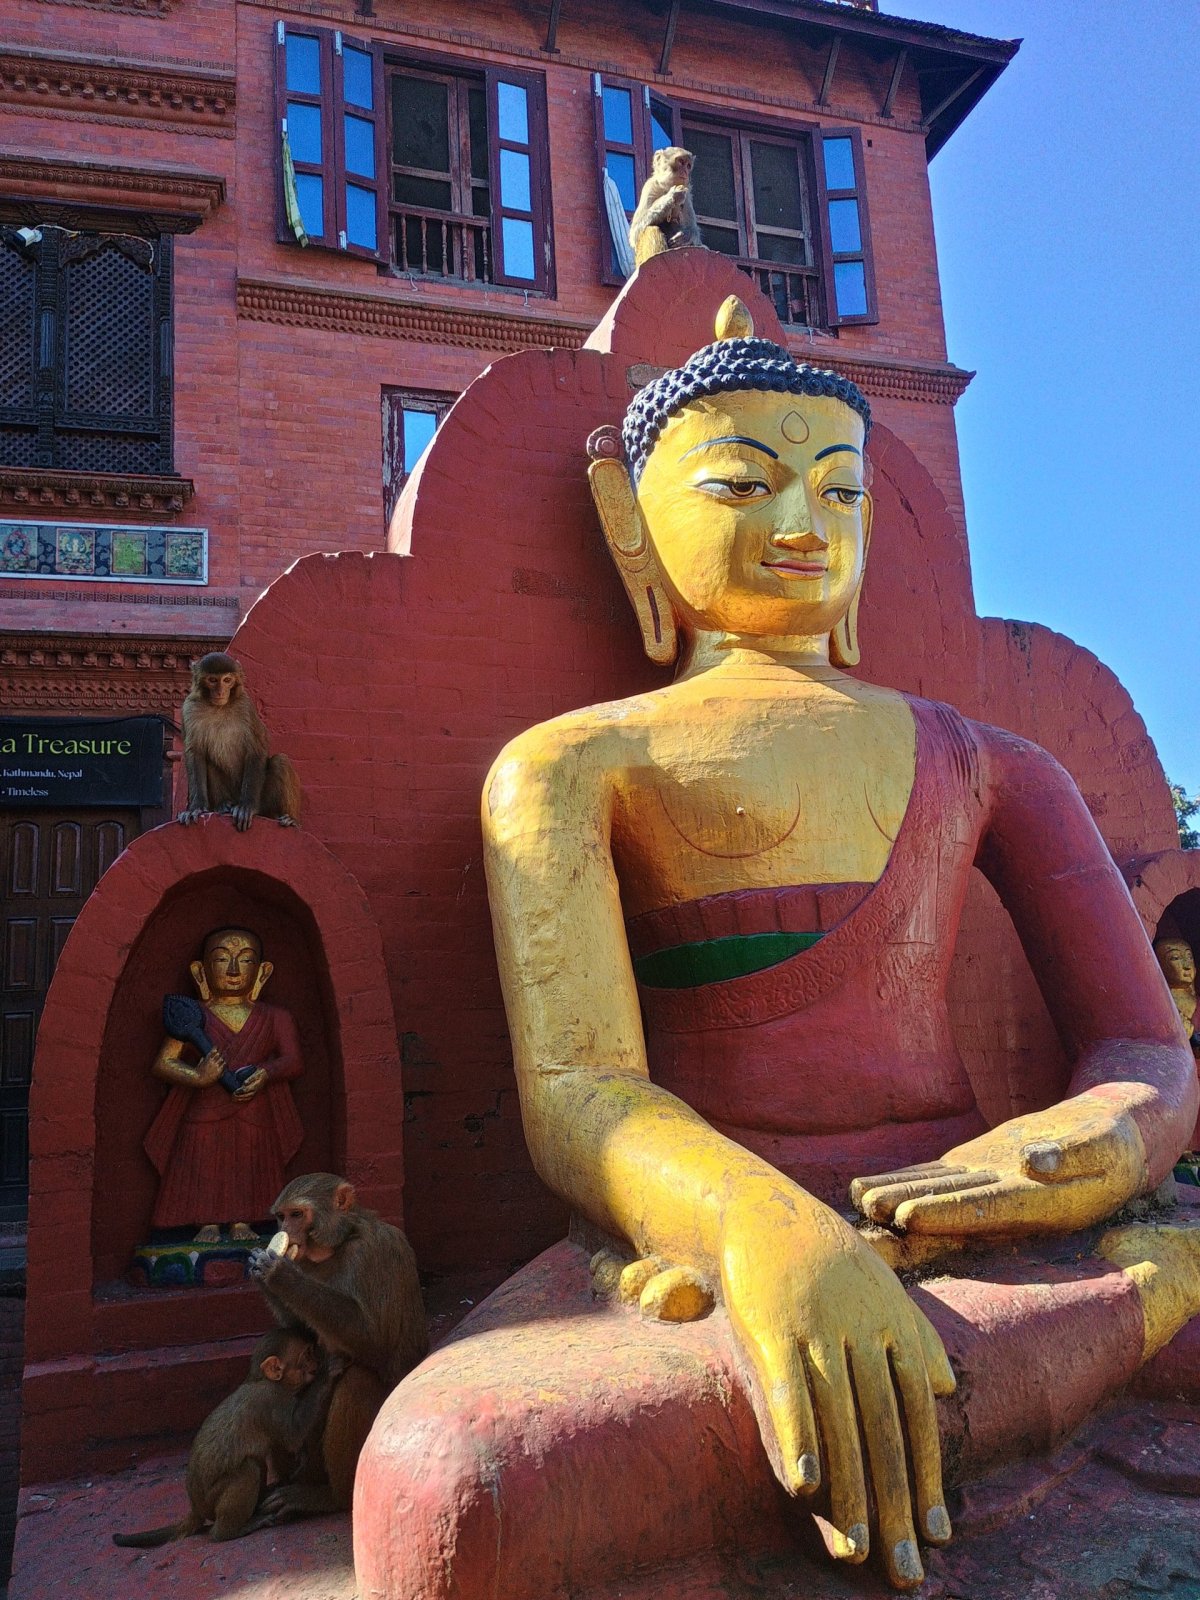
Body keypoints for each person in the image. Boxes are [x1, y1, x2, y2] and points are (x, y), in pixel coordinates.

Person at [356, 302, 1200, 1597]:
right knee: (455, 1480)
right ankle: (1119, 1316)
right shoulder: (575, 766)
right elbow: (581, 1095)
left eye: (839, 488)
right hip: (695, 1246)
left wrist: (1079, 1157)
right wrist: (765, 1240)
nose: (802, 523)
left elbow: (1145, 1046)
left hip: (977, 1225)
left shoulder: (990, 763)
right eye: (744, 484)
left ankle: (1133, 1291)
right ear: (632, 517)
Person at [145, 926, 303, 1241]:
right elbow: (163, 1062)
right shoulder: (193, 1016)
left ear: (261, 972)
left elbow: (293, 1061)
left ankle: (245, 1221)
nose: (232, 970)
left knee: (249, 1162)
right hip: (204, 1111)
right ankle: (205, 1223)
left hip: (254, 1108)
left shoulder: (274, 1017)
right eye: (221, 959)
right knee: (204, 1163)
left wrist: (265, 1073)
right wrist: (198, 1076)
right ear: (200, 972)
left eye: (244, 961)